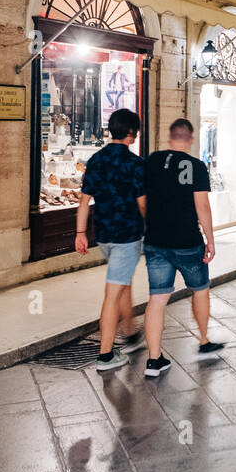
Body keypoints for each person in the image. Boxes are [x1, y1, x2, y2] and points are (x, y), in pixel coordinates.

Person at [142, 118, 223, 376]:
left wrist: (150, 221)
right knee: (200, 290)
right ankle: (203, 340)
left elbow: (141, 199)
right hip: (187, 242)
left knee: (157, 299)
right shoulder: (197, 166)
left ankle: (154, 360)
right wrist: (210, 239)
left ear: (169, 137)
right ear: (190, 139)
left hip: (156, 242)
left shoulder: (151, 161)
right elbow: (202, 207)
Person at [75, 107, 146, 372]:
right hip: (127, 237)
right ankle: (105, 355)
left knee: (122, 283)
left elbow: (84, 201)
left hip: (102, 235)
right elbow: (142, 204)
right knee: (112, 293)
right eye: (135, 131)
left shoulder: (95, 160)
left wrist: (81, 233)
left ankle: (130, 332)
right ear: (130, 133)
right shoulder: (135, 164)